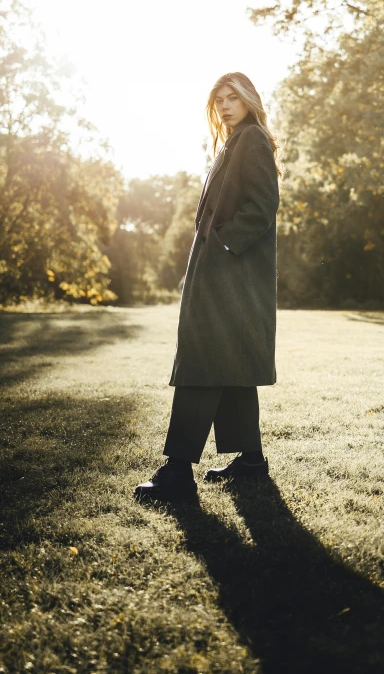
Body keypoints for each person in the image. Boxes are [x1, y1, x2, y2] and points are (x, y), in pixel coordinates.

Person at [134, 72, 282, 502]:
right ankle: (251, 462)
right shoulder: (233, 142)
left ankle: (178, 471)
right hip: (222, 277)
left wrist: (221, 248)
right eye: (219, 100)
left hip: (228, 277)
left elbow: (262, 207)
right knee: (229, 364)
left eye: (233, 98)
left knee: (201, 361)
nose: (225, 106)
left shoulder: (251, 139)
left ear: (249, 100)